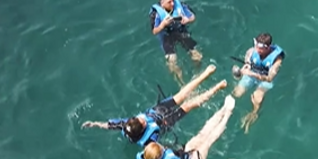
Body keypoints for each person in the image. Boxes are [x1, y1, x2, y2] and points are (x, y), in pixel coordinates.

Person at [82, 64, 226, 146]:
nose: (142, 118)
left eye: (139, 118)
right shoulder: (149, 140)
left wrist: (94, 124)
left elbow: (109, 126)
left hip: (157, 110)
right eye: (142, 121)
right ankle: (217, 88)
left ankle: (205, 74)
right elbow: (158, 150)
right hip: (165, 122)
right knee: (188, 105)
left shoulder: (127, 125)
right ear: (143, 128)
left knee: (181, 95)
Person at [136, 95, 236, 159]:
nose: (163, 147)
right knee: (208, 141)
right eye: (162, 149)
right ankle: (227, 114)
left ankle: (223, 109)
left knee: (202, 134)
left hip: (185, 153)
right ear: (159, 156)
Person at [231, 32, 285, 133]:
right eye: (256, 46)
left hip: (265, 78)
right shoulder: (254, 50)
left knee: (257, 96)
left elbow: (269, 78)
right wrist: (247, 63)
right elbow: (248, 53)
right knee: (237, 93)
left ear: (268, 48)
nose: (257, 50)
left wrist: (252, 74)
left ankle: (253, 114)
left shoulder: (277, 59)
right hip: (252, 72)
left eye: (261, 49)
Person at [150, 0, 203, 85]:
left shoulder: (180, 5)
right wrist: (163, 24)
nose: (172, 3)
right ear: (162, 4)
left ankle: (197, 75)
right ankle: (182, 85)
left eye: (173, 0)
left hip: (180, 31)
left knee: (197, 55)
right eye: (169, 2)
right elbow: (154, 31)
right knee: (172, 62)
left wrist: (188, 20)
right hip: (166, 35)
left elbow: (193, 16)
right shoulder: (156, 13)